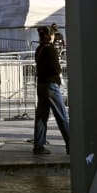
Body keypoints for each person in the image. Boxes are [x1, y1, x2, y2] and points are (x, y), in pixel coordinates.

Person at [33, 25, 70, 155]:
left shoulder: (39, 49)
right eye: (53, 34)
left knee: (41, 117)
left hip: (41, 85)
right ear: (50, 36)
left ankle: (39, 145)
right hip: (51, 85)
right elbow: (56, 69)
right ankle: (71, 144)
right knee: (62, 116)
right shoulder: (50, 49)